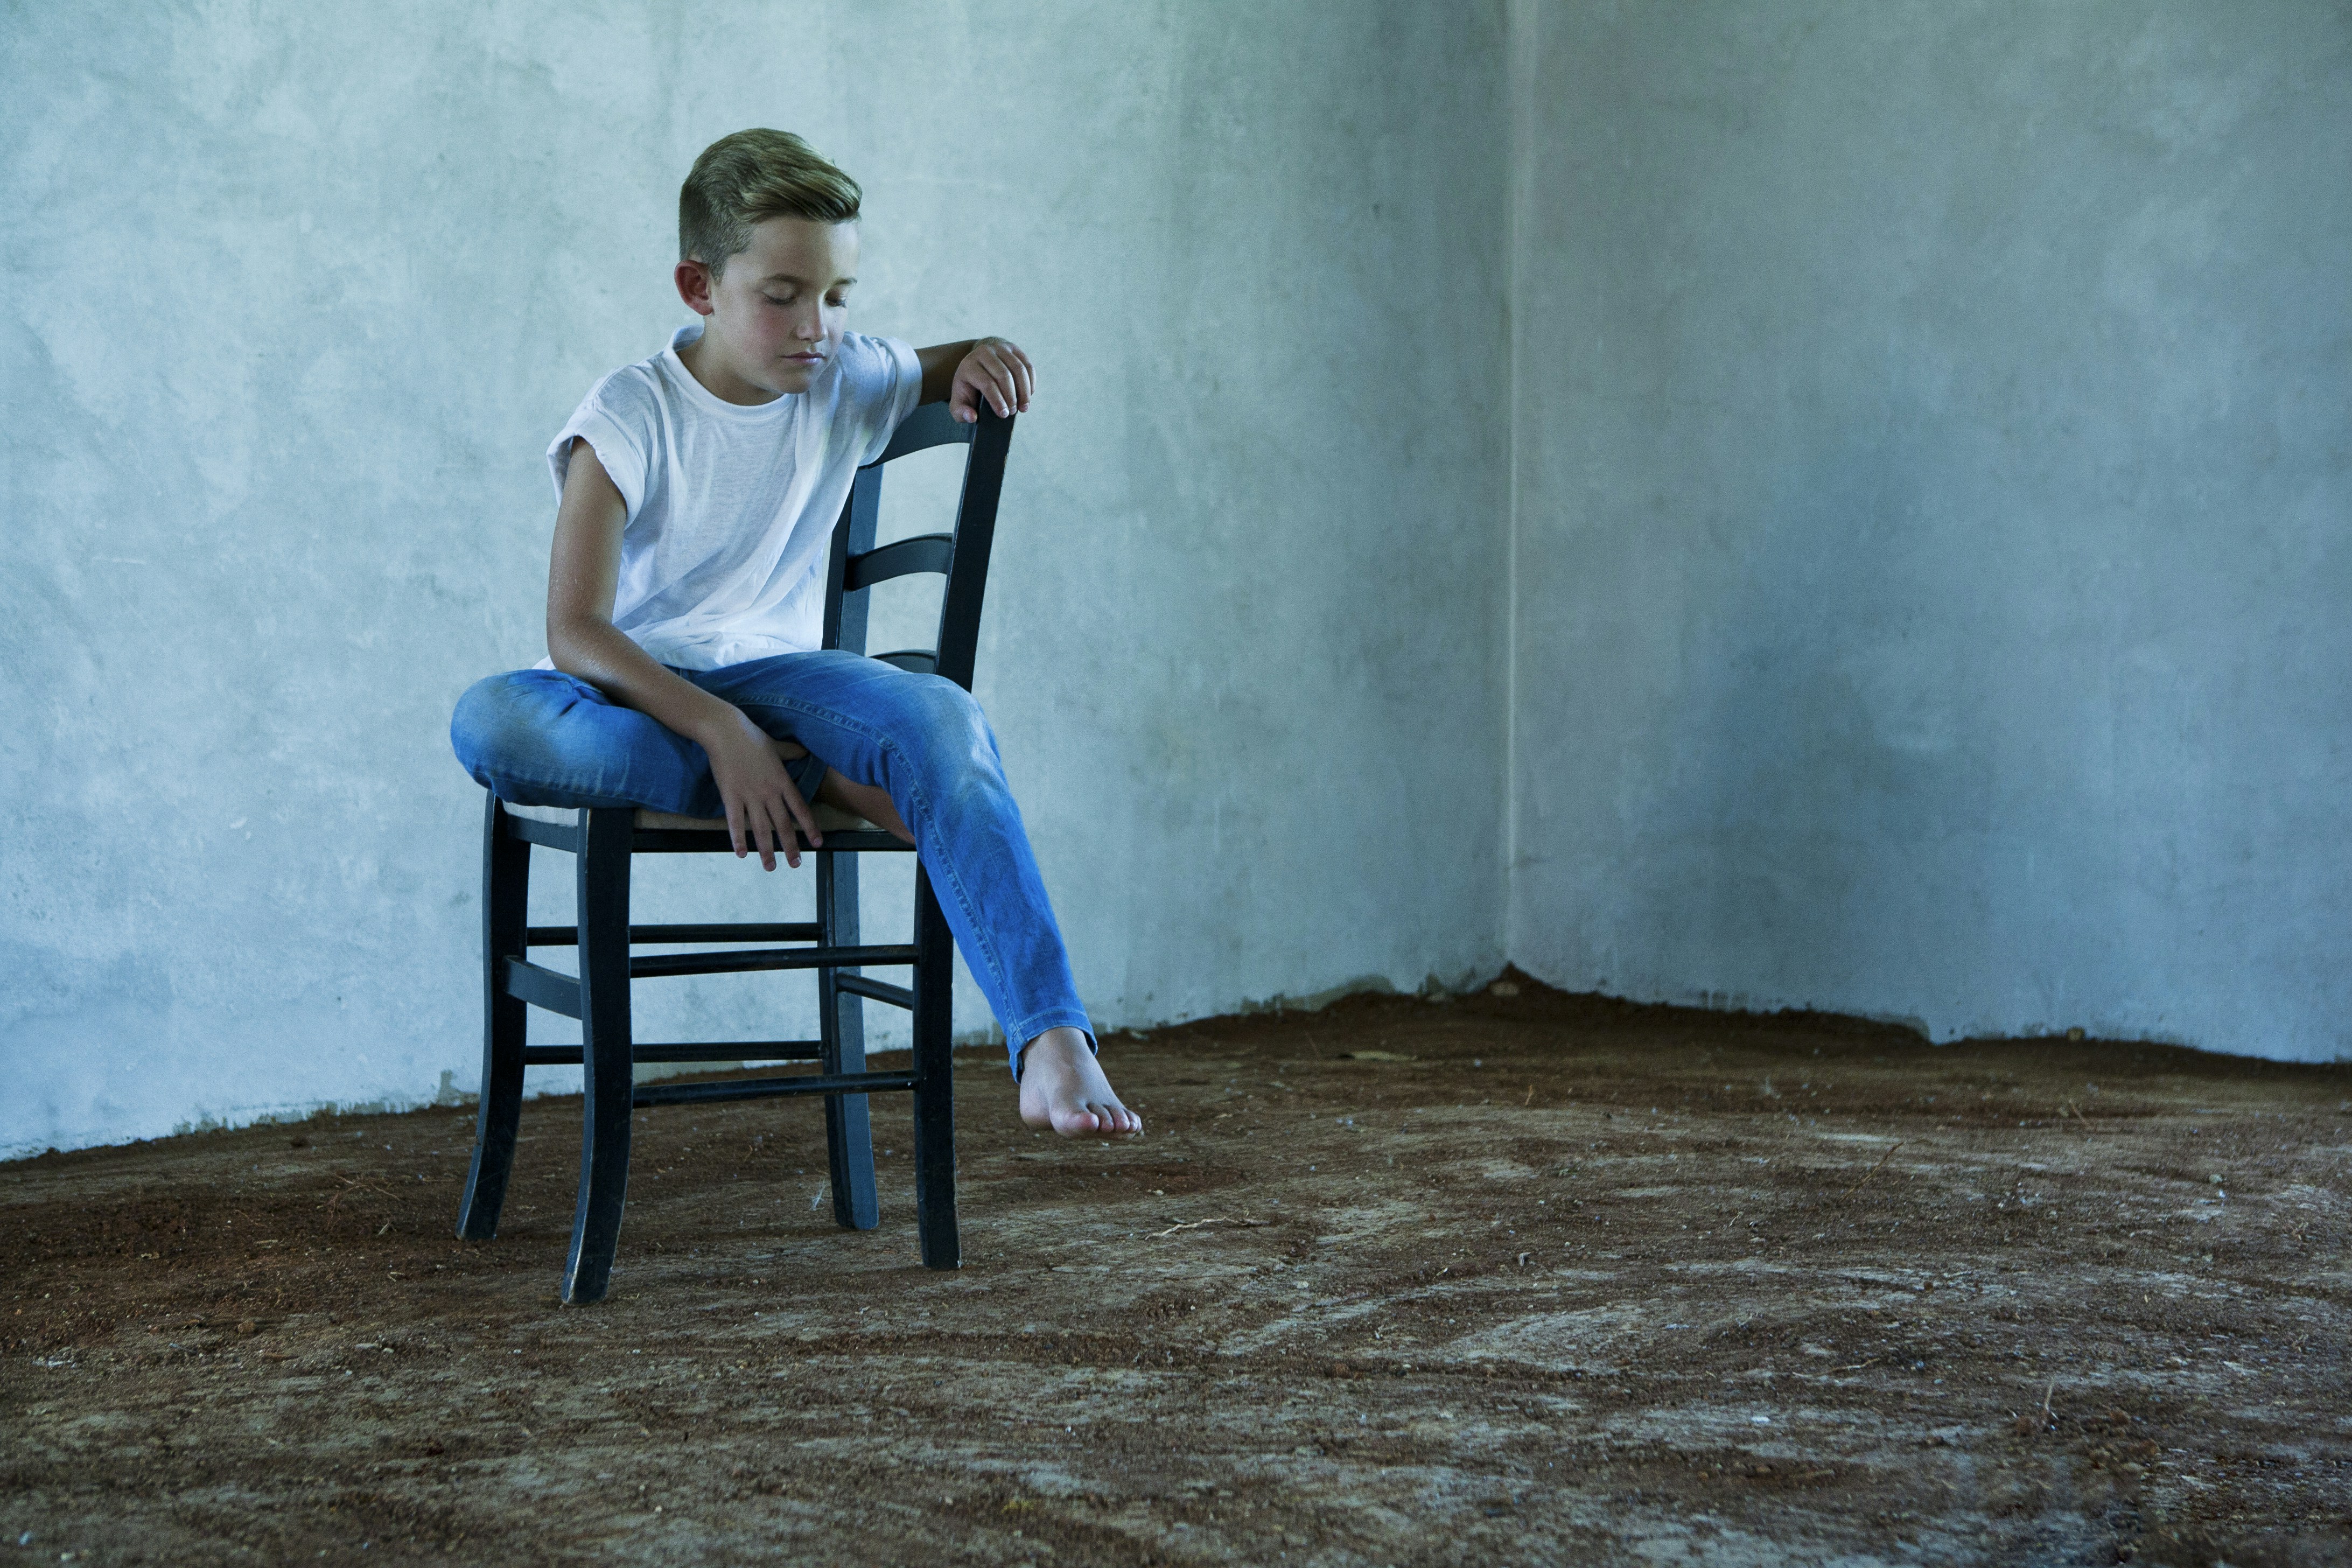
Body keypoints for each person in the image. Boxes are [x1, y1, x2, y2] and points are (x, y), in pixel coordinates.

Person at [450, 128, 1139, 1139]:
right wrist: (723, 736)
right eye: (782, 294)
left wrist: (978, 353)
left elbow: (940, 363)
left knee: (942, 717)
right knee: (492, 720)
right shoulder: (631, 412)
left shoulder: (846, 377)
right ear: (700, 286)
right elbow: (577, 631)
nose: (815, 325)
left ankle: (1050, 1037)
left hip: (782, 675)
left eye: (837, 295)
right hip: (639, 685)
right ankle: (799, 773)